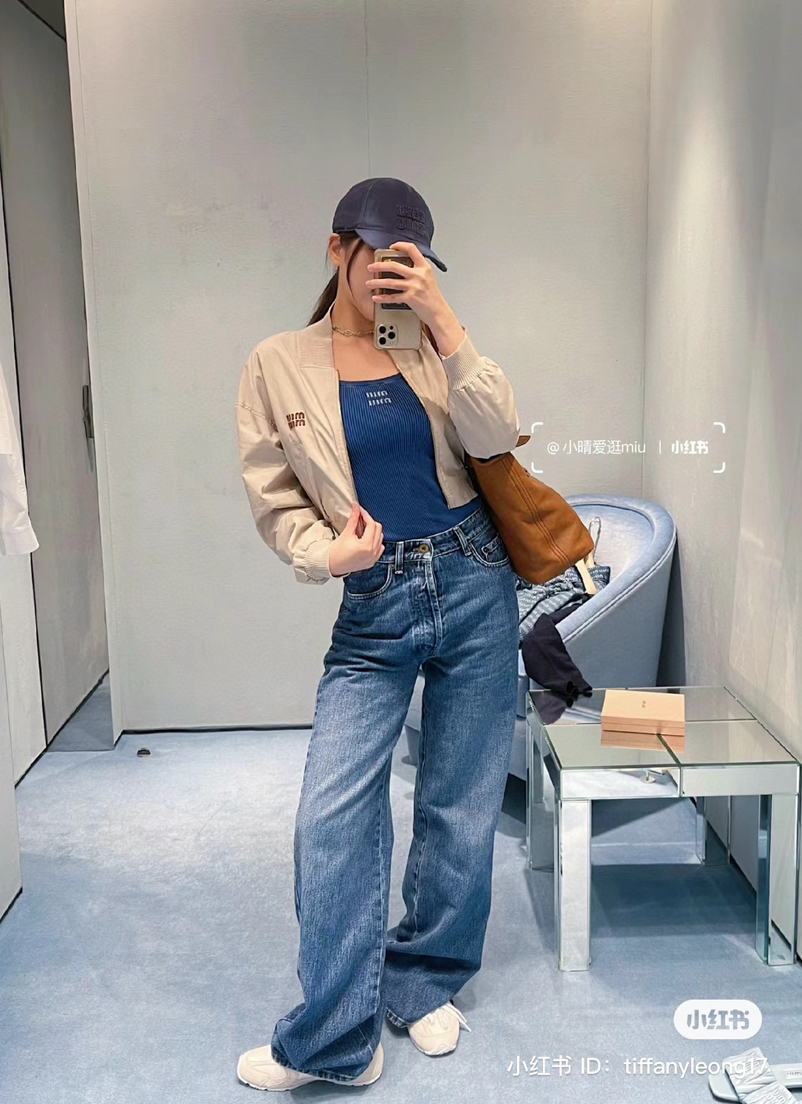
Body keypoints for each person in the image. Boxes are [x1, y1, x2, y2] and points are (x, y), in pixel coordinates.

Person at [234, 177, 522, 1091]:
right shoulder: (279, 361)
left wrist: (446, 321)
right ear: (337, 250)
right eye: (376, 254)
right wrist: (328, 554)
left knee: (460, 801)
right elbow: (275, 497)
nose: (389, 273)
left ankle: (423, 977)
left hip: (475, 575)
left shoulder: (426, 340)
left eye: (410, 258)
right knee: (333, 815)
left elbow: (498, 434)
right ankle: (335, 1039)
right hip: (377, 597)